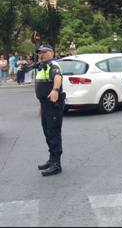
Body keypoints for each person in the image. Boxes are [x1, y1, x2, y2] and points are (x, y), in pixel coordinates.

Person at [34, 44, 65, 176]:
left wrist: (55, 90)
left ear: (51, 53)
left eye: (44, 52)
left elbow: (58, 77)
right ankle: (51, 159)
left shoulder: (53, 65)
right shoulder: (43, 67)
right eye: (40, 53)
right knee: (47, 132)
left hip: (53, 105)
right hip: (45, 105)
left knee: (53, 132)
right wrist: (42, 106)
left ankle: (56, 164)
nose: (41, 54)